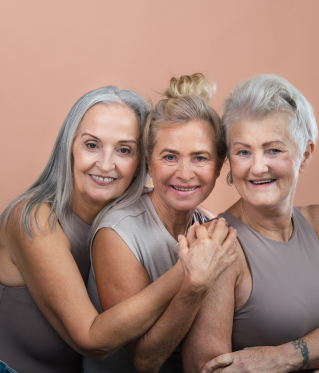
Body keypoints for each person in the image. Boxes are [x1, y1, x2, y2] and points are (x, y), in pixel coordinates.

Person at [0, 86, 238, 373]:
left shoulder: (125, 220)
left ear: (140, 161)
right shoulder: (35, 218)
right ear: (70, 148)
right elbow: (92, 340)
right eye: (92, 145)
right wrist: (188, 271)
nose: (106, 164)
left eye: (123, 150)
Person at [181, 74, 319, 373]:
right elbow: (208, 369)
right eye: (243, 151)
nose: (258, 167)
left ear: (305, 154)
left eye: (273, 149)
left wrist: (281, 358)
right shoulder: (218, 244)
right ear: (230, 161)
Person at [84, 73, 234, 373]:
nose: (185, 173)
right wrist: (193, 283)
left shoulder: (210, 227)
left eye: (200, 158)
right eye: (170, 157)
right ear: (149, 163)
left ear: (219, 166)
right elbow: (145, 360)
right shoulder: (118, 232)